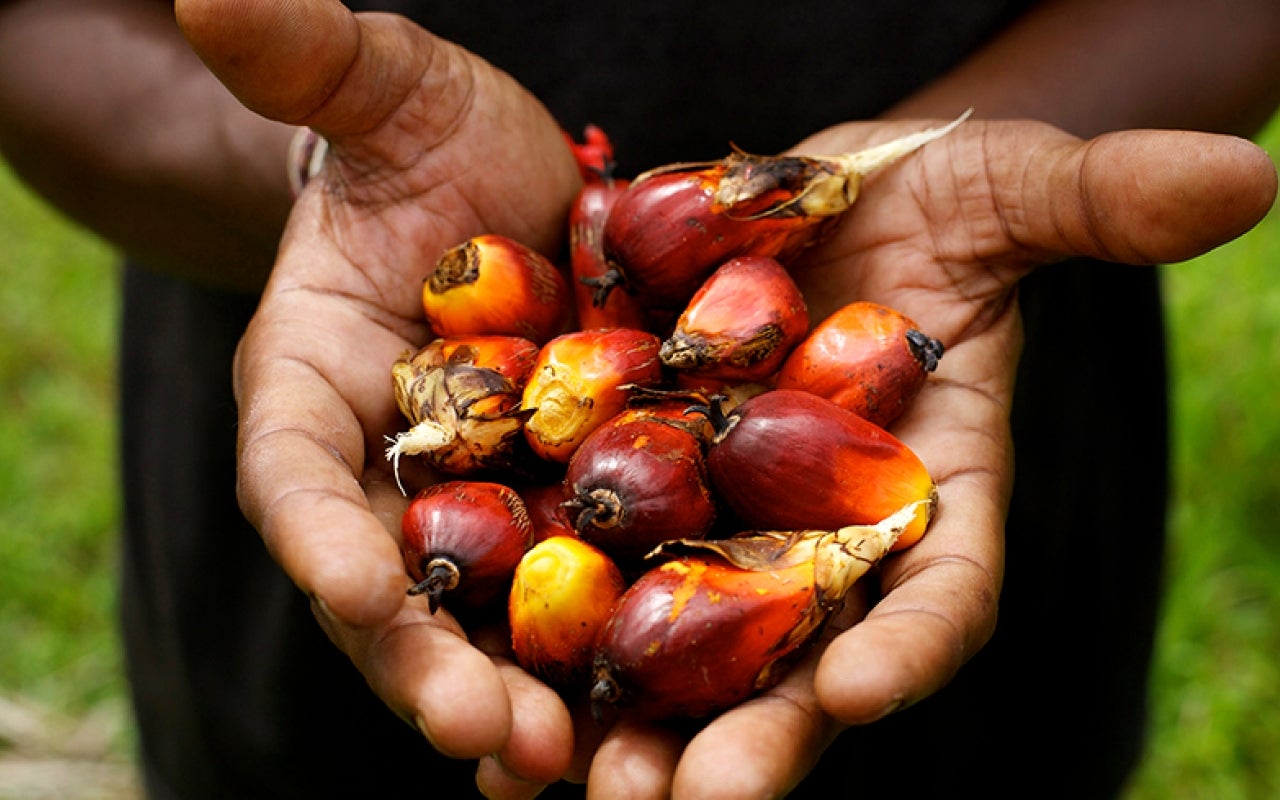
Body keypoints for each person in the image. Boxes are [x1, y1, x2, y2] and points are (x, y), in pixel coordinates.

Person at [1, 0, 1277, 797]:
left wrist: (985, 181)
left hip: (1018, 408)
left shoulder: (642, 411)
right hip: (311, 417)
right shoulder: (558, 434)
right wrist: (316, 166)